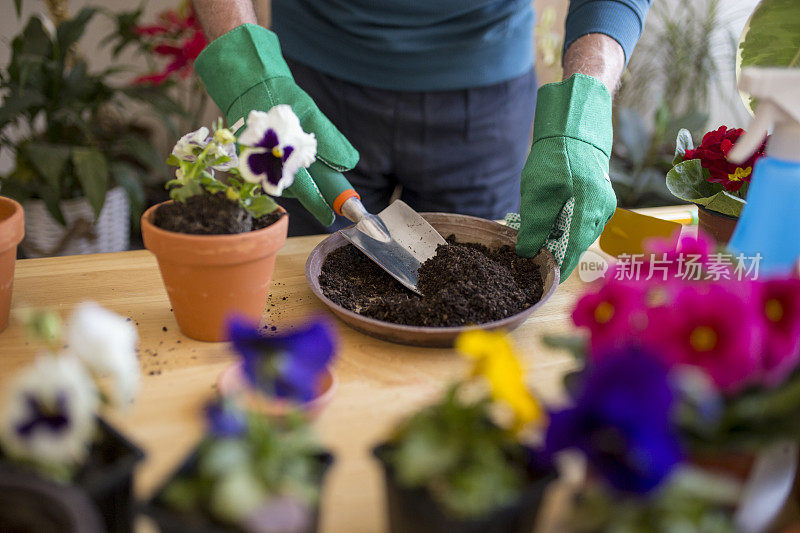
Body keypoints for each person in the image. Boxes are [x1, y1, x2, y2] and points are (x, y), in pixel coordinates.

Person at [191, 0, 652, 280]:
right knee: (291, 299)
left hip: (483, 108)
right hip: (308, 91)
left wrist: (585, 102)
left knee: (475, 317)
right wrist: (247, 70)